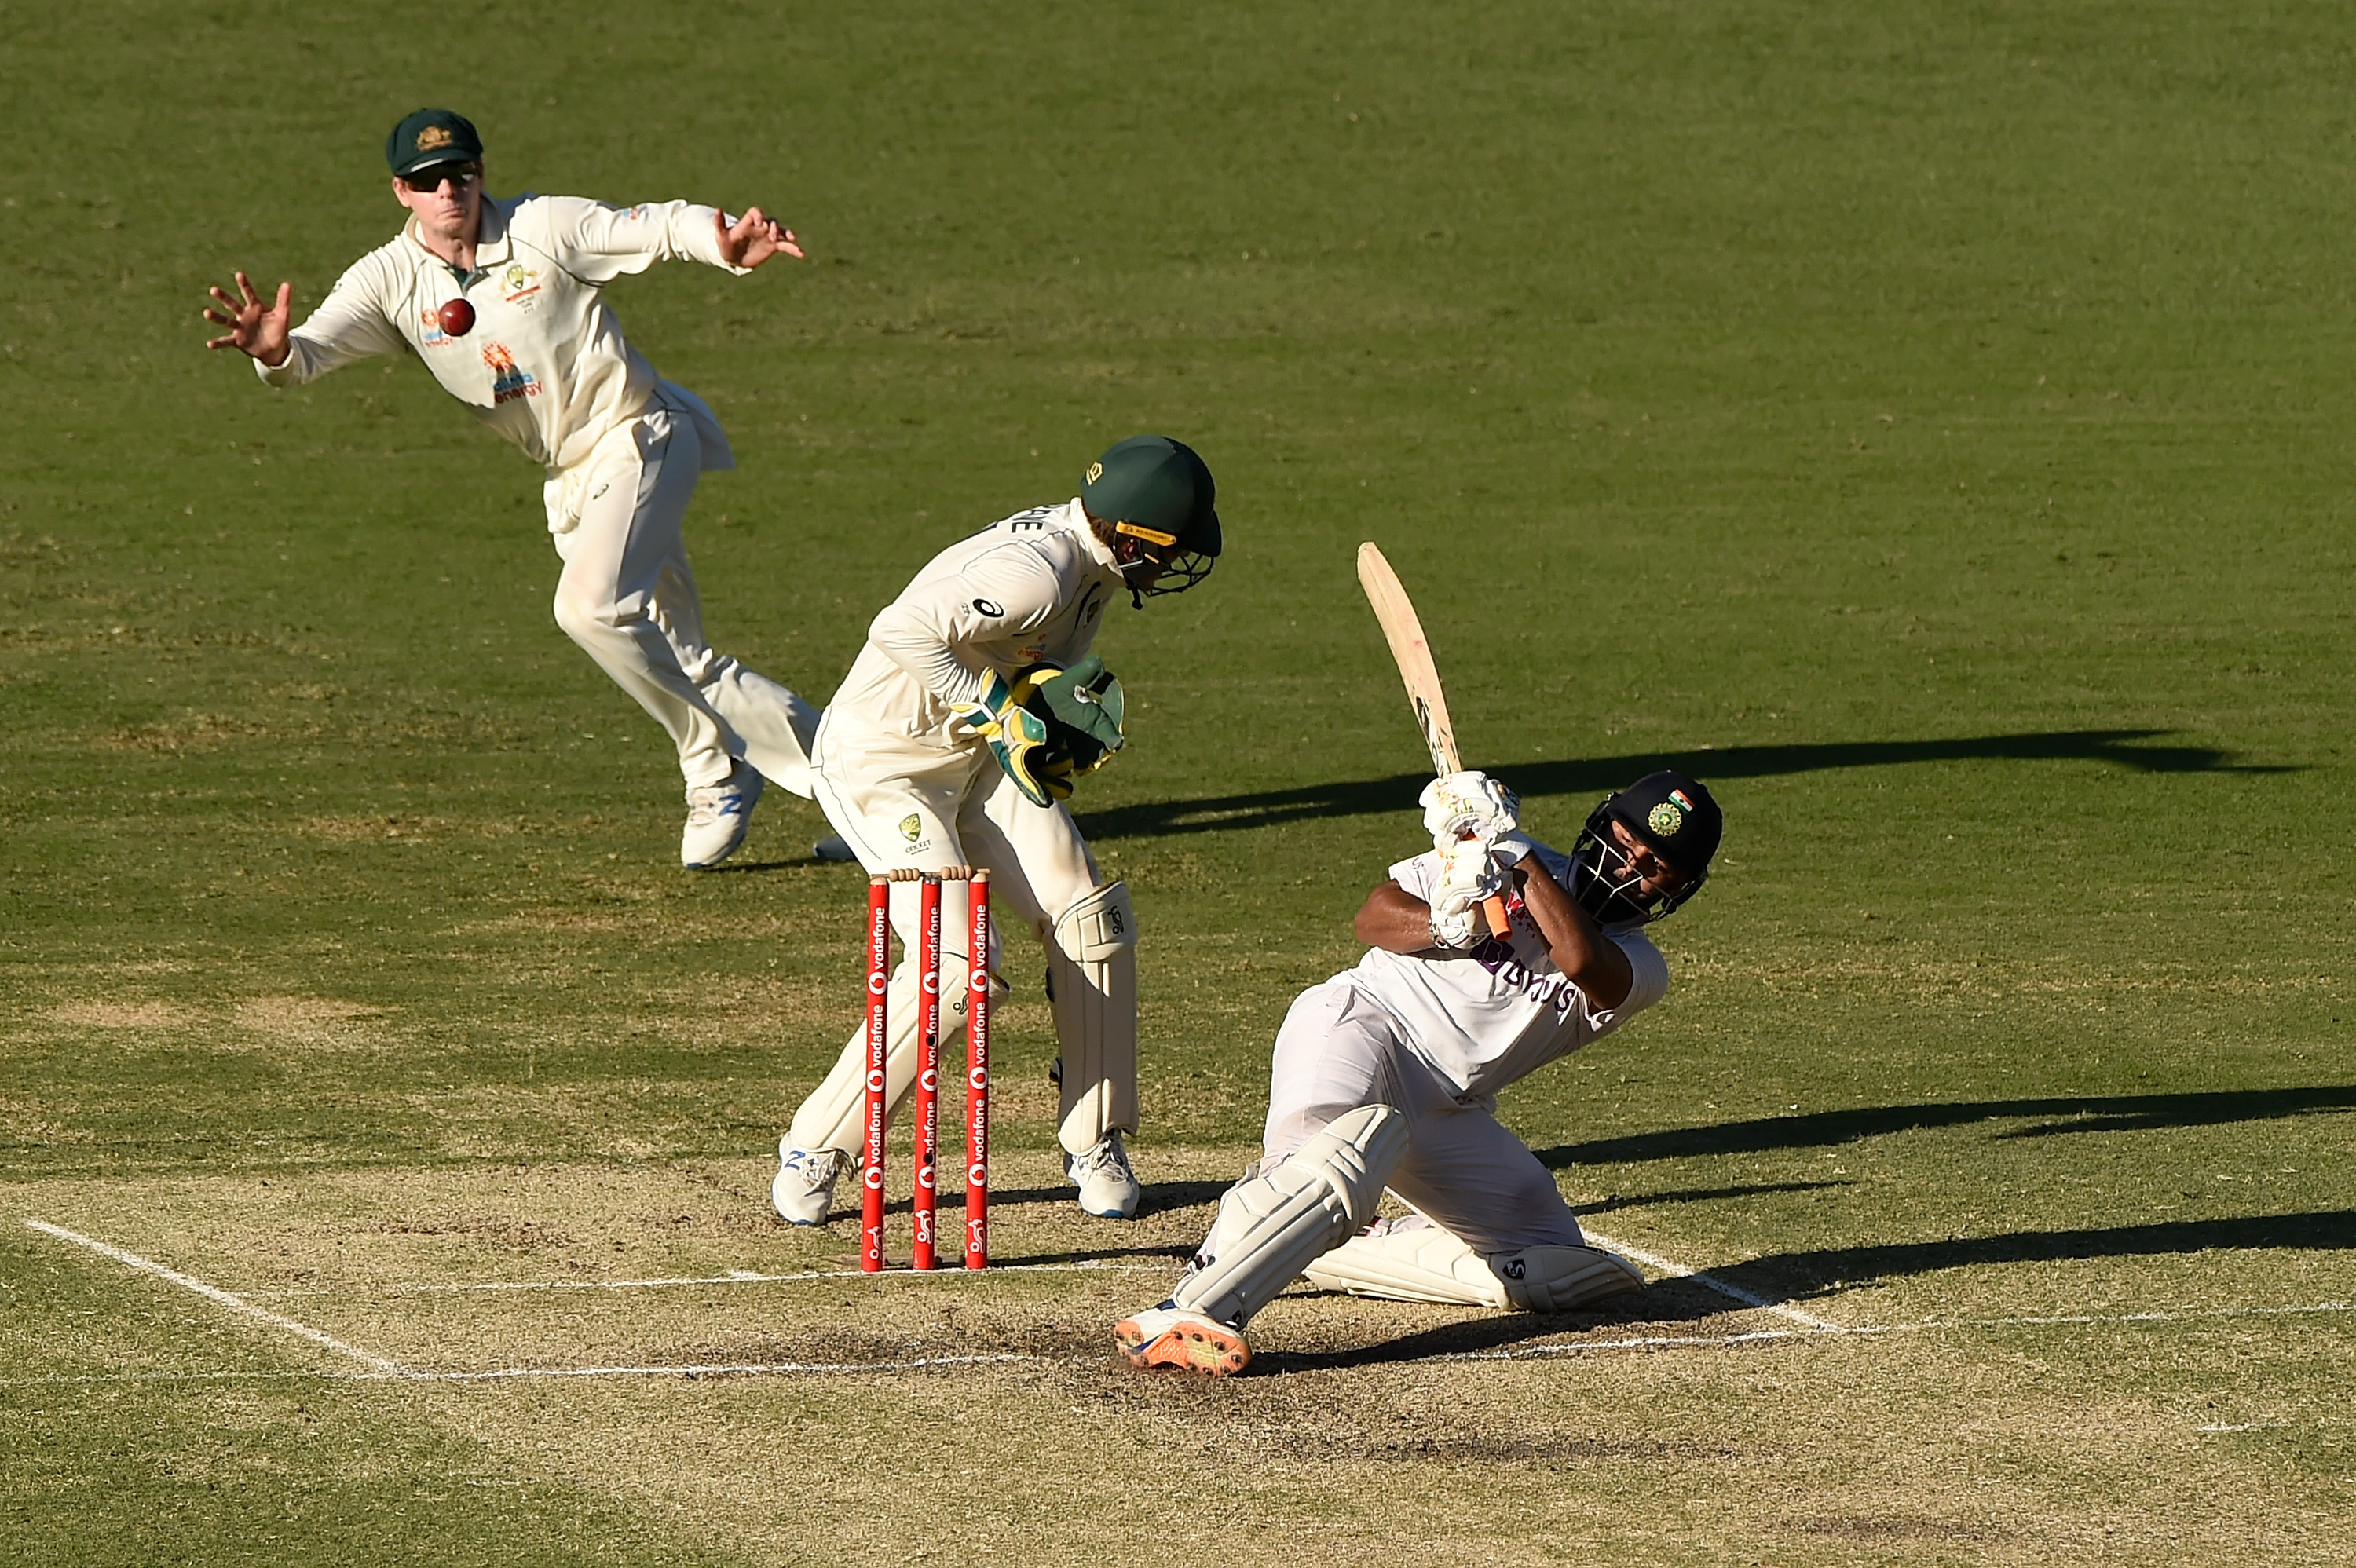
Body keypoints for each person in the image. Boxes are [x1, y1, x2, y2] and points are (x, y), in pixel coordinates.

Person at [201, 108, 825, 869]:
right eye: (429, 182)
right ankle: (865, 784)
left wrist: (719, 240)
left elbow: (650, 225)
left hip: (639, 434)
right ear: (402, 191)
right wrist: (274, 352)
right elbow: (308, 352)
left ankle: (714, 768)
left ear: (481, 174)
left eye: (461, 174)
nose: (449, 192)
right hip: (571, 480)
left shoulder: (542, 225)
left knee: (587, 607)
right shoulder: (390, 281)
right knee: (683, 661)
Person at [1114, 767, 1722, 1375]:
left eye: (1652, 865)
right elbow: (1373, 916)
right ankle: (1185, 1308)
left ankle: (1330, 1247)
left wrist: (1512, 855)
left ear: (1680, 888)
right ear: (1599, 825)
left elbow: (1585, 959)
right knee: (1324, 1165)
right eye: (1623, 841)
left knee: (1554, 1264)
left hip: (1448, 1104)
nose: (1624, 866)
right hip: (1363, 1024)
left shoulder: (1639, 963)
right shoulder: (1488, 851)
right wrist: (1445, 923)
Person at [770, 435, 1222, 1223]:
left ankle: (1095, 1138)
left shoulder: (1093, 567)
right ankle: (820, 1146)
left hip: (977, 760)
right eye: (1169, 549)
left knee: (1093, 920)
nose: (1173, 564)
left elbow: (1014, 664)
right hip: (883, 767)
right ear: (1129, 535)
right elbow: (900, 629)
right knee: (959, 968)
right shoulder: (1038, 572)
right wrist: (996, 707)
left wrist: (1038, 718)